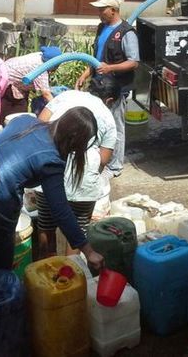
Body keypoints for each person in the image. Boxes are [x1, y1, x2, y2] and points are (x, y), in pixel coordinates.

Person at [0, 107, 105, 278]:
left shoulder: (25, 121)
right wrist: (89, 251)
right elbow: (61, 210)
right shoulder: (50, 160)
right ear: (73, 139)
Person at [36, 77, 121, 256]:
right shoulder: (108, 118)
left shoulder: (66, 96)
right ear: (110, 100)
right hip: (84, 182)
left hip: (49, 169)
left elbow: (40, 125)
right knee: (77, 233)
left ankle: (45, 268)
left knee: (46, 225)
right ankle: (71, 270)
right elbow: (103, 160)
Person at [76, 0, 140, 178]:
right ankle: (98, 159)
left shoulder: (127, 33)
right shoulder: (101, 28)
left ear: (113, 10)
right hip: (98, 85)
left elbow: (134, 62)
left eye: (102, 9)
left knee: (115, 126)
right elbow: (97, 57)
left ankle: (115, 166)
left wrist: (110, 68)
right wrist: (85, 74)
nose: (99, 13)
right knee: (96, 122)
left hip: (116, 88)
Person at [0, 45, 61, 122]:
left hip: (13, 75)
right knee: (18, 116)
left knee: (21, 111)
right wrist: (59, 110)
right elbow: (46, 94)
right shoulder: (40, 69)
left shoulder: (40, 56)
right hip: (9, 82)